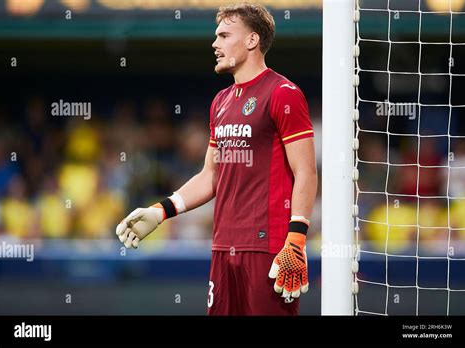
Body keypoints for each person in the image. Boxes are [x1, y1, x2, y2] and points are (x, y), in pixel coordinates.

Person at [116, 2, 317, 315]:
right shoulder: (220, 102)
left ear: (252, 40)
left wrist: (296, 240)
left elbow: (305, 172)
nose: (214, 44)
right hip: (223, 245)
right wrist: (160, 211)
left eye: (224, 35)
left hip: (267, 248)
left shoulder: (283, 93)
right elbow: (211, 175)